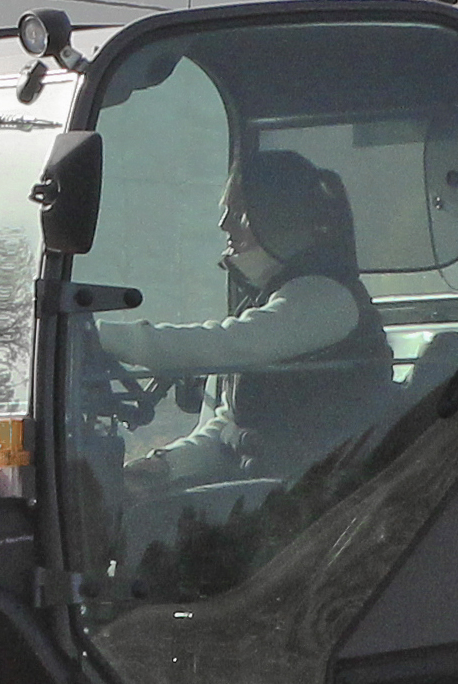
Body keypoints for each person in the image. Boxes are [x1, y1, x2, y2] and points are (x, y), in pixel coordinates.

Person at [85, 153, 384, 506]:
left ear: (279, 216)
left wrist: (96, 336)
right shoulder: (269, 298)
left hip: (326, 499)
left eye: (240, 212)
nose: (224, 225)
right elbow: (227, 428)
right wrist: (163, 467)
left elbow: (228, 345)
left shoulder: (325, 297)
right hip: (274, 486)